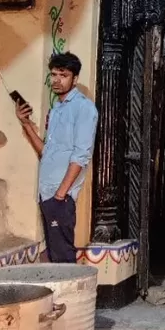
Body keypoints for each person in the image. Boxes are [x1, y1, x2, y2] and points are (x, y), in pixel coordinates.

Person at [16, 52, 99, 264]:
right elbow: (47, 152)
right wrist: (26, 124)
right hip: (47, 193)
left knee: (63, 258)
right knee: (55, 256)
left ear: (75, 79)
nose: (56, 80)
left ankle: (70, 289)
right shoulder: (56, 109)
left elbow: (81, 155)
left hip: (60, 197)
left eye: (63, 75)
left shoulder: (84, 108)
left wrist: (61, 195)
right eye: (53, 74)